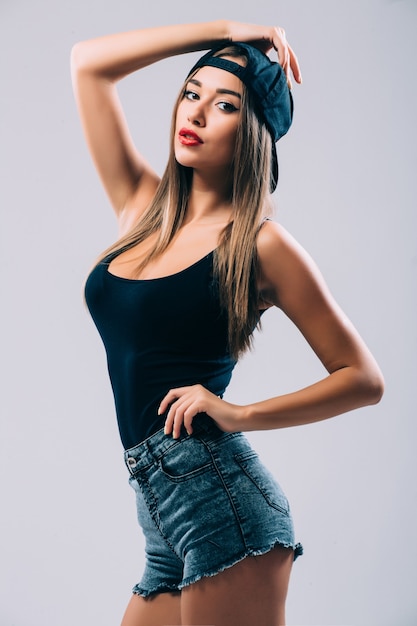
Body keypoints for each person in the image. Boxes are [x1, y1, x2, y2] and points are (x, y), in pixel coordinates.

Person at [71, 20, 384, 626]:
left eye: (225, 105)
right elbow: (88, 64)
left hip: (223, 508)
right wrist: (225, 29)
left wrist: (238, 414)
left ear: (253, 133)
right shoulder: (142, 207)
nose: (197, 113)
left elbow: (363, 378)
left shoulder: (262, 246)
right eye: (192, 93)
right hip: (162, 514)